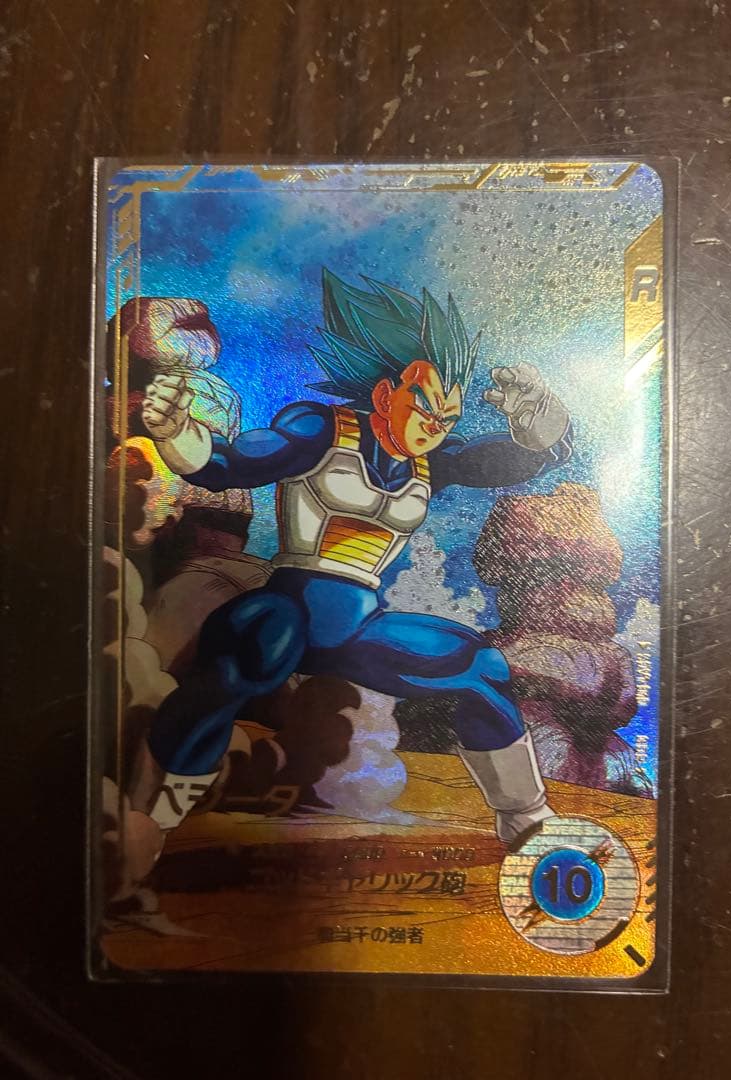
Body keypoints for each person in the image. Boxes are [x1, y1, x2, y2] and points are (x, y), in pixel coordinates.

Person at [134, 269, 572, 852]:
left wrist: (541, 431)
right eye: (425, 409)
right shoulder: (321, 430)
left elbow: (506, 461)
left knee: (481, 667)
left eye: (448, 418)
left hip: (356, 628)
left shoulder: (431, 461)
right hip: (288, 605)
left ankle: (526, 819)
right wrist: (176, 432)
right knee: (256, 647)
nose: (435, 428)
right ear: (385, 395)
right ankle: (158, 813)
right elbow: (232, 463)